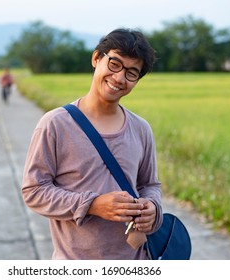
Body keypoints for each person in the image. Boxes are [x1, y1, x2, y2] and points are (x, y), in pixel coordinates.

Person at [22, 28, 163, 260]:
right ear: (96, 58)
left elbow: (150, 184)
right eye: (114, 64)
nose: (119, 78)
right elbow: (34, 191)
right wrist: (92, 204)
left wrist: (152, 208)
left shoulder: (140, 128)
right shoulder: (55, 124)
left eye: (131, 73)